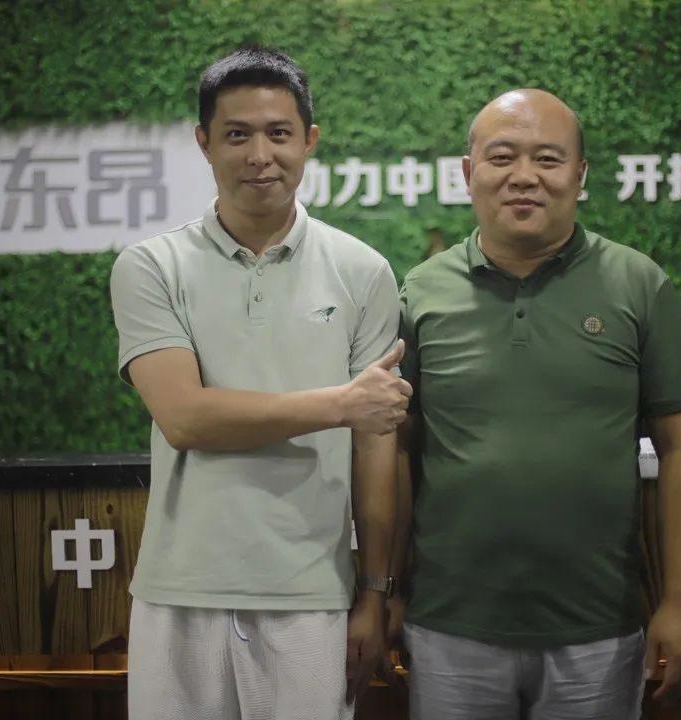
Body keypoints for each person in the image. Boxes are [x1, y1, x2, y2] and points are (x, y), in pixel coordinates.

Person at [110, 46, 410, 720]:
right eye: (237, 135)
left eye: (278, 133)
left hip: (312, 593)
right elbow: (185, 418)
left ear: (309, 140)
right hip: (180, 589)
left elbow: (376, 448)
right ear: (203, 143)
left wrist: (374, 592)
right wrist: (342, 404)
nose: (260, 155)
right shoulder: (151, 267)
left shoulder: (362, 270)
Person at [393, 88, 681, 719]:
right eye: (502, 157)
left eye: (548, 159)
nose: (524, 177)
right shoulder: (420, 293)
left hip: (598, 628)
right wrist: (387, 590)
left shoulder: (639, 284)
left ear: (580, 175)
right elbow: (396, 450)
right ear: (468, 172)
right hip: (449, 626)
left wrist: (679, 603)